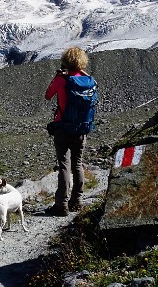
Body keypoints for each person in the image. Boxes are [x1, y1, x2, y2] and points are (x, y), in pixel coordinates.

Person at [44, 47, 96, 215]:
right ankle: (77, 201)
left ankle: (61, 205)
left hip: (63, 128)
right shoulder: (88, 80)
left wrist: (58, 76)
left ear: (65, 62)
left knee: (64, 166)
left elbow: (48, 95)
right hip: (82, 129)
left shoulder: (62, 80)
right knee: (78, 164)